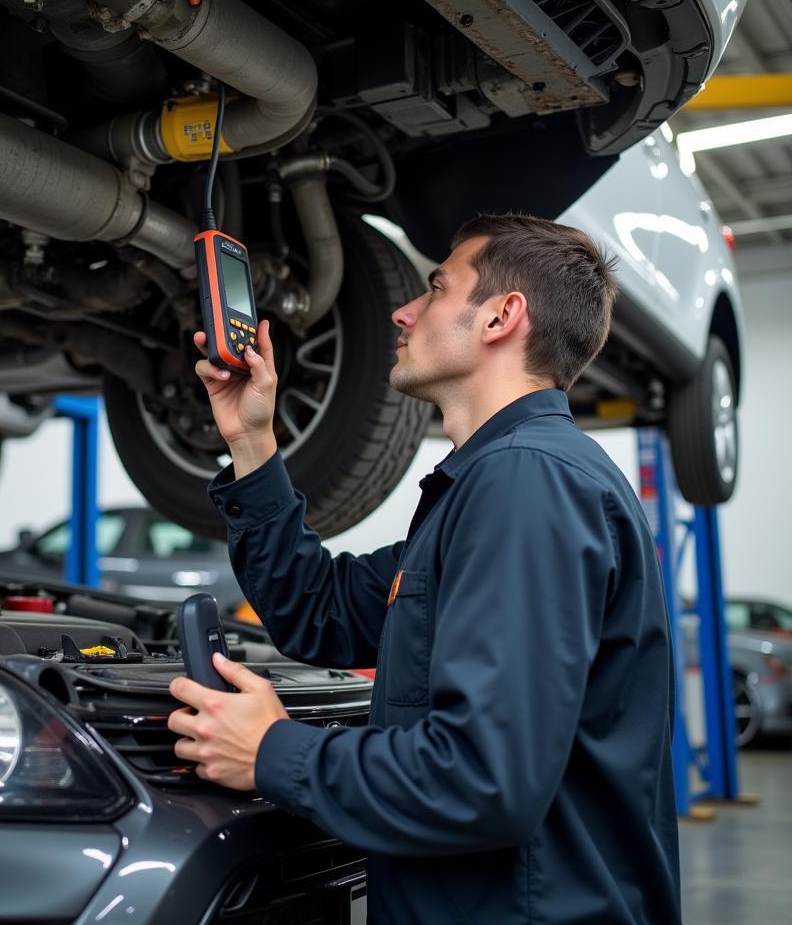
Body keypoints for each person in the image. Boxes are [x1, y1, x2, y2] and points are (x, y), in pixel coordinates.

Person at [167, 214, 681, 924]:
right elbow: (316, 607)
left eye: (436, 288)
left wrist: (272, 750)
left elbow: (482, 779)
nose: (404, 312)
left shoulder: (527, 483)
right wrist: (252, 438)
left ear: (503, 315)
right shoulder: (498, 484)